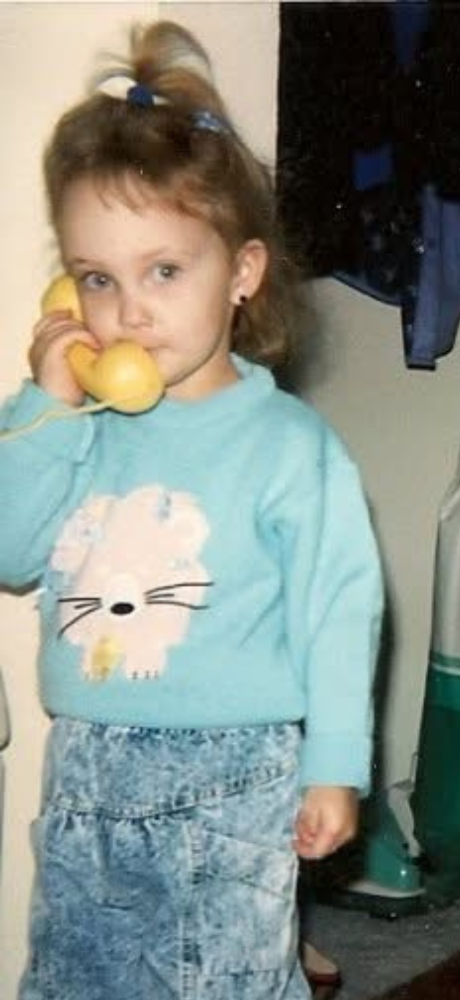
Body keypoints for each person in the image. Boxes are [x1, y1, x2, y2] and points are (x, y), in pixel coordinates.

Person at [0, 21, 382, 1000]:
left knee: (220, 984)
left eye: (163, 271)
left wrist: (334, 765)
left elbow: (339, 611)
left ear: (242, 271)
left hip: (234, 775)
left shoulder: (289, 447)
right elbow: (10, 551)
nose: (128, 310)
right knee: (75, 980)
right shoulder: (74, 427)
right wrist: (45, 401)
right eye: (97, 278)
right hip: (87, 769)